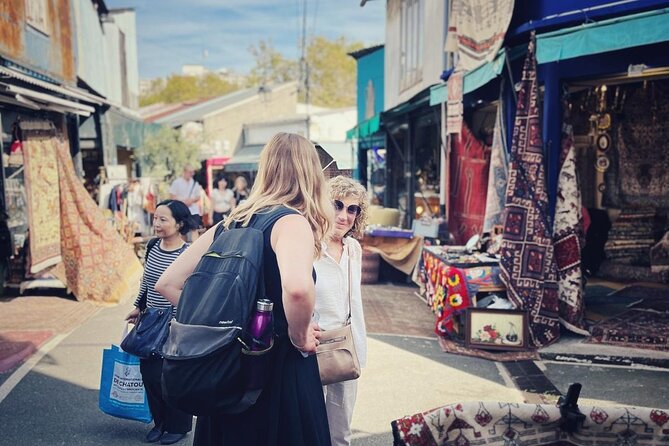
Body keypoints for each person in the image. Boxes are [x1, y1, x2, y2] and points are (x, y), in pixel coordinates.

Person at [155, 132, 334, 446]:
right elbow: (296, 289)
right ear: (311, 173)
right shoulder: (291, 222)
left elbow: (167, 283)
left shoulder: (232, 222)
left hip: (227, 368)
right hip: (277, 370)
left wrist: (222, 325)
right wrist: (299, 334)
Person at [125, 200, 194, 445]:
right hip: (151, 320)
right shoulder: (153, 246)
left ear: (180, 224)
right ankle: (160, 422)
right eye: (155, 218)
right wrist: (137, 307)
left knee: (172, 376)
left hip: (176, 323)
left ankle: (179, 426)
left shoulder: (188, 254)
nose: (157, 224)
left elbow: (192, 290)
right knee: (150, 375)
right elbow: (146, 282)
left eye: (163, 219)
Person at [313, 176, 369, 446]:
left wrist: (359, 348)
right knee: (309, 423)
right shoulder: (309, 246)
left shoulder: (354, 249)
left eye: (352, 209)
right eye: (337, 205)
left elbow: (353, 302)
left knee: (341, 429)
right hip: (311, 347)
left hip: (346, 345)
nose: (344, 215)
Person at [169, 165, 203, 241]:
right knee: (183, 231)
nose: (191, 174)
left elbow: (198, 196)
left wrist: (192, 200)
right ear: (184, 172)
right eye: (190, 172)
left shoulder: (195, 183)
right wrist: (182, 202)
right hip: (182, 210)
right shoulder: (177, 182)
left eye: (192, 172)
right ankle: (183, 249)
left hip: (193, 210)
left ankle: (195, 247)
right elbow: (172, 196)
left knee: (195, 229)